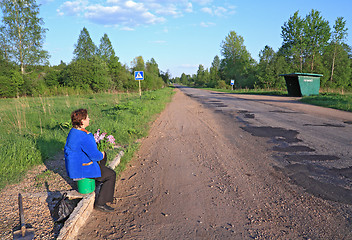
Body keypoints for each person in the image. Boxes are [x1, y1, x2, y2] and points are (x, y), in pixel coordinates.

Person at [64, 108, 116, 212]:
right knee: (111, 174)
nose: (89, 119)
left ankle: (99, 181)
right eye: (87, 117)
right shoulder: (85, 136)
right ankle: (100, 203)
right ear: (82, 121)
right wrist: (102, 154)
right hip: (82, 169)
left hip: (74, 167)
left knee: (102, 166)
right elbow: (95, 156)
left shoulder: (73, 131)